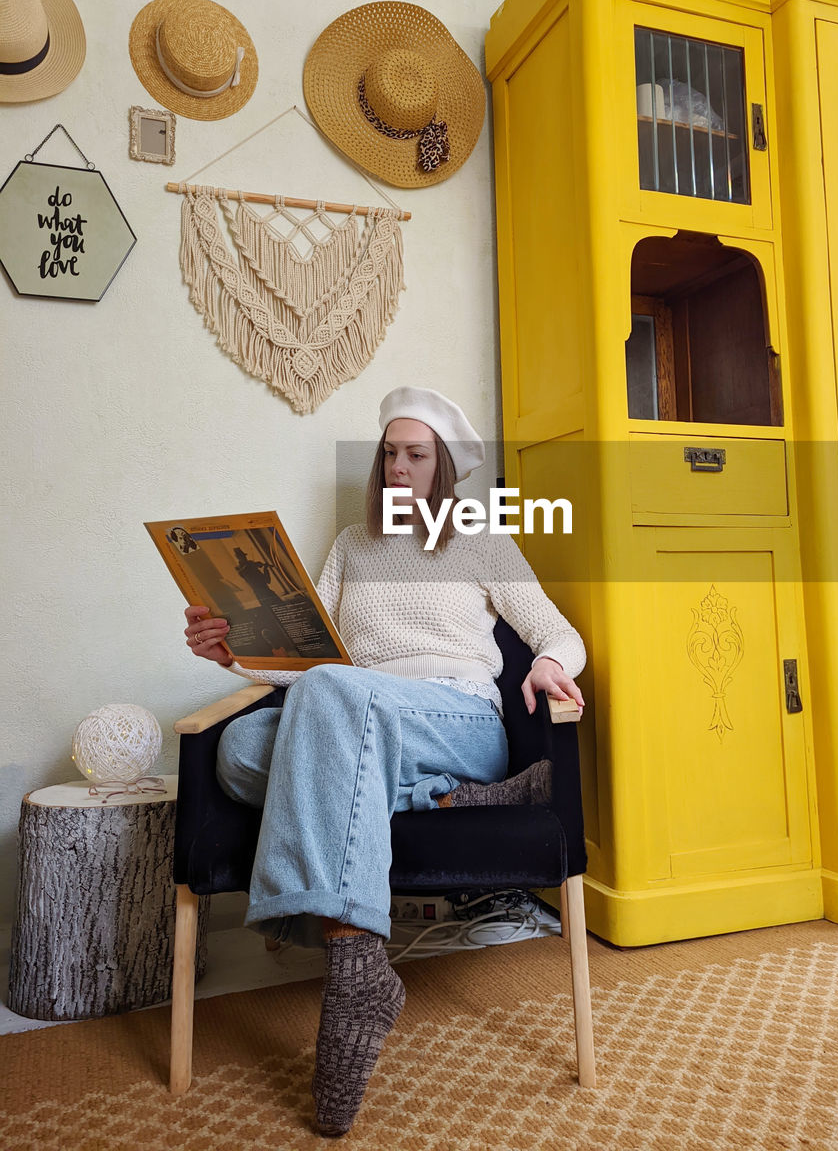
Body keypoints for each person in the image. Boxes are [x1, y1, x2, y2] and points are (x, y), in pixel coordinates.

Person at [182, 386, 586, 1137]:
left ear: (443, 470)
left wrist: (546, 666)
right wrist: (234, 651)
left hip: (456, 718)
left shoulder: (483, 539)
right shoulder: (348, 546)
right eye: (390, 453)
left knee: (335, 704)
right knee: (238, 749)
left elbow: (560, 632)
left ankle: (352, 963)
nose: (398, 467)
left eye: (416, 455)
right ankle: (443, 801)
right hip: (355, 713)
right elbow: (311, 665)